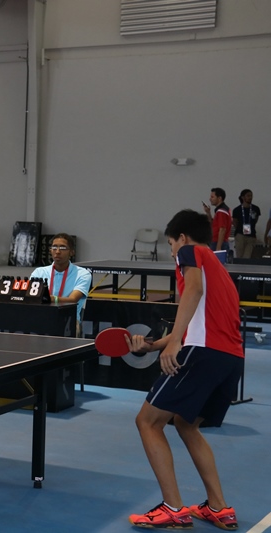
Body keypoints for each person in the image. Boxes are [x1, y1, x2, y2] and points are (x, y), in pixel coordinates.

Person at [126, 209, 242, 530]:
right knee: (186, 424)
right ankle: (219, 507)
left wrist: (175, 342)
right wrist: (153, 346)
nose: (172, 253)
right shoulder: (219, 269)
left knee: (147, 422)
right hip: (230, 359)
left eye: (170, 245)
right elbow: (201, 324)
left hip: (202, 353)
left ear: (182, 238)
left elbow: (193, 291)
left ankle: (173, 508)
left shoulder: (190, 252)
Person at [30, 233, 91, 335]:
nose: (57, 251)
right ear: (50, 250)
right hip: (41, 317)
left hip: (69, 320)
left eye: (63, 248)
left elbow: (73, 299)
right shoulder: (39, 272)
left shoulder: (83, 274)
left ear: (72, 252)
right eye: (54, 247)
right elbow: (32, 297)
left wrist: (52, 299)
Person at [231, 189, 261, 259]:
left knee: (247, 256)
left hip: (251, 236)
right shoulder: (237, 210)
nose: (250, 197)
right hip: (240, 235)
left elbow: (255, 220)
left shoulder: (256, 209)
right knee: (239, 256)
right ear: (243, 197)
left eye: (251, 196)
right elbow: (235, 222)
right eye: (248, 196)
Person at [202, 187, 231, 253]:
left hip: (218, 243)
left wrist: (218, 247)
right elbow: (213, 224)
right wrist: (208, 212)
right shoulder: (220, 210)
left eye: (212, 197)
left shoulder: (222, 211)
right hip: (216, 242)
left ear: (219, 198)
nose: (210, 199)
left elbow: (222, 229)